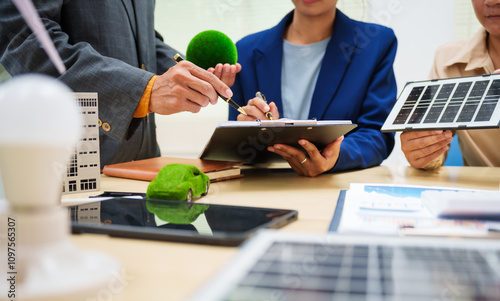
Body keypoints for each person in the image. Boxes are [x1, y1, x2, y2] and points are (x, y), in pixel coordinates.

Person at [0, 0, 239, 168]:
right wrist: (144, 89)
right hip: (69, 168)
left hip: (142, 165)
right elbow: (25, 40)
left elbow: (144, 41)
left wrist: (193, 76)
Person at [229, 0, 397, 177]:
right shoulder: (245, 51)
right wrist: (248, 134)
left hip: (334, 188)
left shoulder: (376, 44)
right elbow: (234, 147)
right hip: (262, 188)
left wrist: (337, 155)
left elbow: (377, 136)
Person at [401, 0, 500, 169]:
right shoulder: (448, 61)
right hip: (480, 192)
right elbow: (434, 154)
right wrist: (423, 151)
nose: (491, 1)